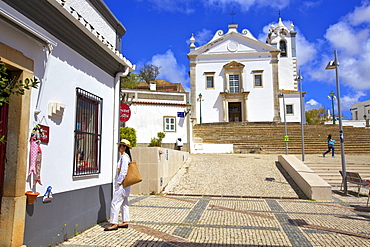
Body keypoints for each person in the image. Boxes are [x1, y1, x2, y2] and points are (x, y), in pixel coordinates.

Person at [104, 139, 132, 231]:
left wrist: (119, 182)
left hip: (122, 185)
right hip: (125, 185)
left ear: (124, 147)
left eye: (120, 146)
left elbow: (123, 171)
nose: (119, 147)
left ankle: (114, 223)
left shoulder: (124, 157)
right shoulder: (126, 157)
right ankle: (125, 221)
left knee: (114, 203)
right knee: (124, 203)